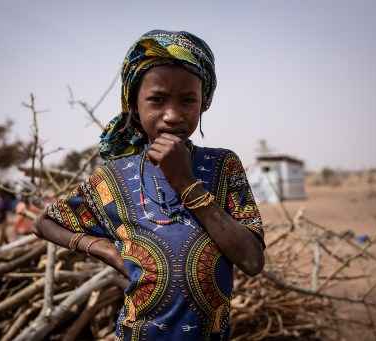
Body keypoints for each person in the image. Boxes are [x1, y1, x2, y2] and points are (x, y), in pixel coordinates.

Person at [35, 30, 265, 341]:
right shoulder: (112, 178)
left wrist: (186, 183)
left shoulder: (223, 166)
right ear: (133, 103)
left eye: (188, 100)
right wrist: (103, 249)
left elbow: (251, 260)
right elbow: (45, 221)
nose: (172, 115)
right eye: (156, 99)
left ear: (204, 103)